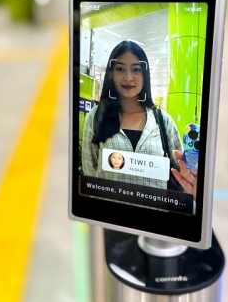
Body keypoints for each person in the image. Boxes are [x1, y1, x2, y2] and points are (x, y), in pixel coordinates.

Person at [82, 40, 198, 196]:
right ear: (111, 74)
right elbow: (90, 175)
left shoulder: (163, 121)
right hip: (107, 217)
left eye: (136, 69)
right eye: (120, 69)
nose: (128, 77)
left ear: (144, 74)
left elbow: (182, 176)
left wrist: (194, 187)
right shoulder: (96, 117)